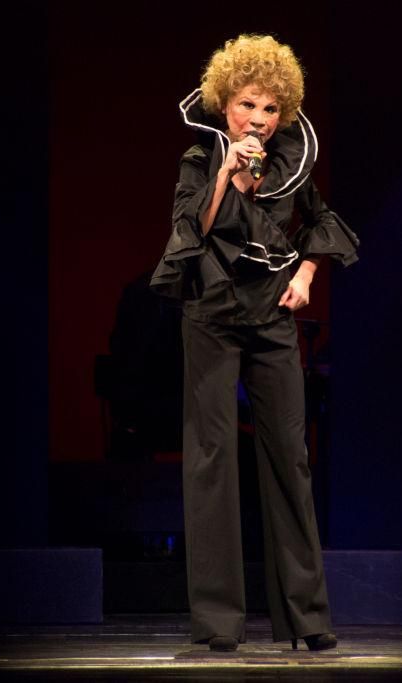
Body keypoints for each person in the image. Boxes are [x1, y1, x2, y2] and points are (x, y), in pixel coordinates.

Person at [150, 34, 359, 652]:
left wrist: (307, 274)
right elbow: (193, 228)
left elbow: (322, 221)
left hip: (271, 317)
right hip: (212, 313)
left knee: (290, 458)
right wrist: (228, 173)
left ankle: (307, 618)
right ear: (224, 105)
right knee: (212, 457)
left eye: (270, 108)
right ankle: (219, 622)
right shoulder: (200, 158)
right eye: (247, 105)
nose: (259, 119)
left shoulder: (290, 164)